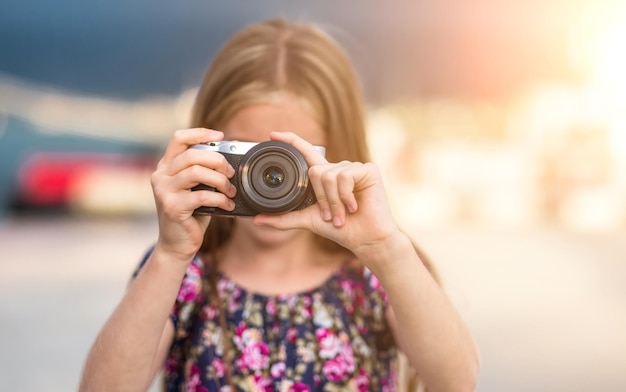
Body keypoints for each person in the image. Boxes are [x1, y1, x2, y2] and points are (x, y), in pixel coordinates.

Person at [79, 18, 479, 392]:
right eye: (247, 155)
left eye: (288, 161)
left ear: (338, 156)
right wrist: (169, 254)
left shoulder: (379, 272)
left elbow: (457, 381)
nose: (266, 182)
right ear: (208, 148)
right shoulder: (182, 276)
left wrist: (386, 250)